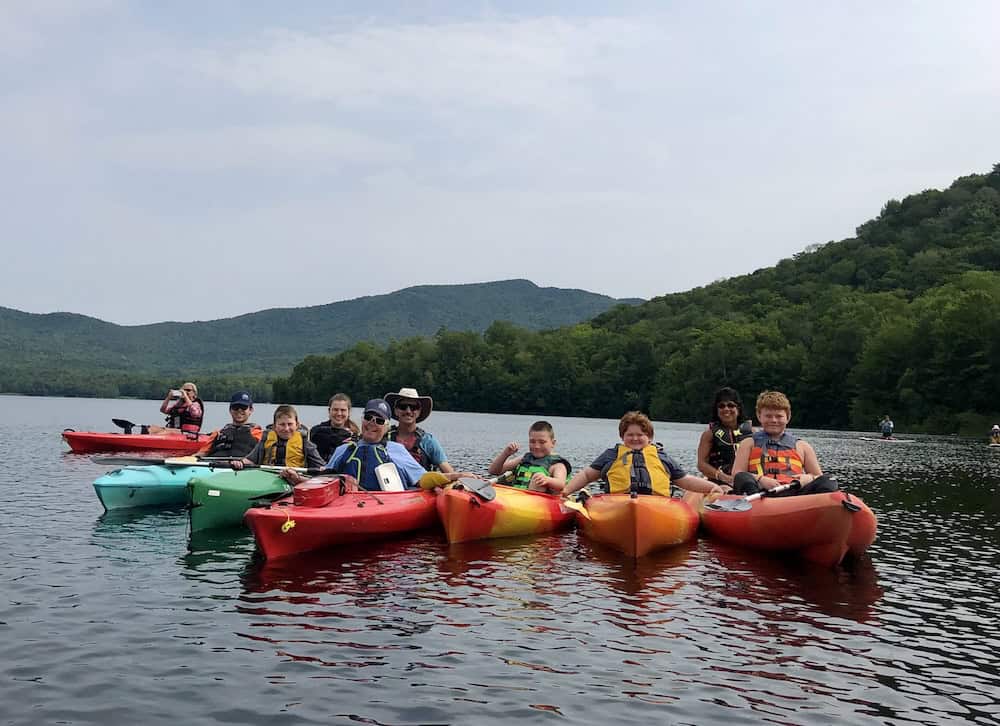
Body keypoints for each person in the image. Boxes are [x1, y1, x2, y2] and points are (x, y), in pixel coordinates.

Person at [282, 399, 473, 491]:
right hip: (346, 502)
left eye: (379, 421)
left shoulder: (395, 450)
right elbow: (325, 480)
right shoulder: (344, 449)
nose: (372, 423)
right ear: (362, 418)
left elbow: (423, 480)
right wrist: (299, 479)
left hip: (382, 503)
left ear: (387, 426)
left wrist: (455, 476)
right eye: (368, 417)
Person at [562, 411, 724, 498]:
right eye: (630, 435)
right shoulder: (611, 455)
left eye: (640, 435)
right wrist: (566, 492)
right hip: (617, 503)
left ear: (650, 437)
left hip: (656, 503)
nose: (635, 438)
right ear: (622, 437)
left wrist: (712, 487)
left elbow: (685, 481)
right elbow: (587, 475)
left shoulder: (661, 457)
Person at [731, 390, 839, 496]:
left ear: (788, 417)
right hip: (760, 493)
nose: (773, 420)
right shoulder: (748, 443)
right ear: (759, 416)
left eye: (779, 416)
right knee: (742, 477)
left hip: (794, 494)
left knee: (829, 479)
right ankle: (754, 507)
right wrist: (760, 479)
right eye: (768, 416)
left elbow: (817, 476)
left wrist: (808, 478)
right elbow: (737, 474)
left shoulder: (803, 446)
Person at [487, 420, 571, 494]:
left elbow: (561, 484)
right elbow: (493, 471)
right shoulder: (524, 458)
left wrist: (547, 480)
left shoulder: (557, 465)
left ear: (553, 443)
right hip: (515, 497)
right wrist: (505, 454)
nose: (536, 446)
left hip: (537, 504)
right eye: (532, 441)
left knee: (538, 477)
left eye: (542, 442)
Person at [231, 404, 326, 470]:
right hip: (268, 476)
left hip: (295, 479)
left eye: (290, 424)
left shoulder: (305, 443)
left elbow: (320, 465)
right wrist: (240, 463)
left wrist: (324, 469)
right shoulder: (266, 440)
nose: (286, 428)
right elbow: (250, 459)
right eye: (282, 424)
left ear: (297, 425)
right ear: (274, 426)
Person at [384, 387, 454, 473]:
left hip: (422, 485)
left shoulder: (428, 441)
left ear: (419, 412)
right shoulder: (384, 437)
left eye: (413, 407)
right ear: (395, 411)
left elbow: (448, 470)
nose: (408, 411)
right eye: (403, 407)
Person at [697, 387, 753, 489]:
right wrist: (724, 478)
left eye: (731, 405)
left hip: (748, 480)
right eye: (721, 406)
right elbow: (701, 464)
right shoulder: (709, 434)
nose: (726, 409)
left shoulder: (752, 432)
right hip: (720, 482)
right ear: (716, 410)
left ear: (738, 408)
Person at [197, 391, 262, 458]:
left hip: (243, 466)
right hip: (216, 465)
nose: (239, 410)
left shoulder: (258, 434)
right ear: (230, 410)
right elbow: (201, 453)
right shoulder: (218, 433)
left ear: (251, 410)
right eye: (235, 407)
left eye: (243, 407)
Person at [309, 393, 360, 461]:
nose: (339, 413)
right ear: (329, 411)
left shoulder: (355, 434)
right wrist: (341, 441)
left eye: (343, 410)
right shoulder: (317, 431)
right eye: (335, 410)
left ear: (349, 412)